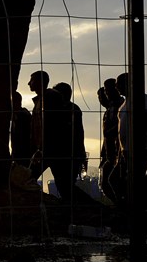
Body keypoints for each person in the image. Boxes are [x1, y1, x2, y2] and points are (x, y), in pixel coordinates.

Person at [28, 70, 91, 204]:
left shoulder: (54, 102)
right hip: (52, 150)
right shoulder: (41, 102)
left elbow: (52, 128)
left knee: (63, 185)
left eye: (32, 80)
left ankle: (88, 207)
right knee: (63, 185)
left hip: (56, 151)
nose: (29, 83)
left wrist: (40, 148)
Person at [114, 72, 147, 206]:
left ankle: (137, 207)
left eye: (119, 83)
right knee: (118, 179)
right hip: (126, 150)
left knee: (133, 180)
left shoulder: (142, 99)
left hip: (141, 148)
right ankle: (128, 205)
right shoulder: (124, 104)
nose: (117, 86)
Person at [53, 82, 87, 176]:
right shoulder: (73, 108)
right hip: (69, 153)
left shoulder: (68, 109)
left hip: (66, 153)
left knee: (65, 184)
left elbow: (78, 133)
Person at [98, 79, 123, 202]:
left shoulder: (120, 106)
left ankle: (121, 206)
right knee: (107, 183)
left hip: (118, 152)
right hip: (110, 153)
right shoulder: (110, 110)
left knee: (109, 182)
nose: (106, 94)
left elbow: (115, 132)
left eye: (108, 90)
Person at [10, 91, 33, 167]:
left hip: (22, 154)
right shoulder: (21, 114)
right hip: (22, 154)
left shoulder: (21, 116)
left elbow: (20, 138)